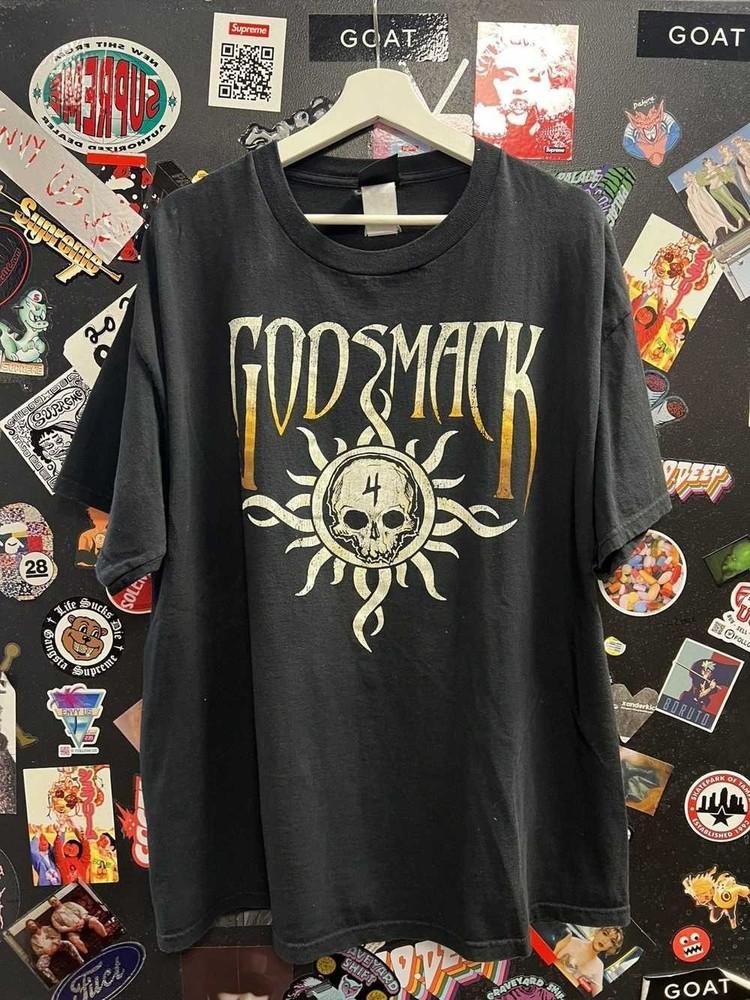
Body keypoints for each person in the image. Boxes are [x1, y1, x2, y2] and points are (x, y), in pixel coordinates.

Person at [553, 926, 625, 996]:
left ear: (611, 947)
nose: (605, 941)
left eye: (612, 941)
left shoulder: (599, 966)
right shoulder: (572, 941)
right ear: (597, 931)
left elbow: (598, 995)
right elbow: (550, 956)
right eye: (605, 933)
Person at [26, 918, 83, 985]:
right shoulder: (33, 940)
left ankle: (80, 961)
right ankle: (55, 981)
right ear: (29, 928)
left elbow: (57, 935)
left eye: (32, 923)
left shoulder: (46, 928)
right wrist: (46, 951)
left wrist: (54, 945)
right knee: (40, 966)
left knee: (68, 943)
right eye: (29, 925)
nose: (32, 926)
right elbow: (37, 951)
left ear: (35, 923)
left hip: (56, 945)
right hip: (47, 953)